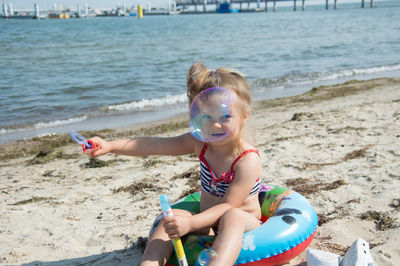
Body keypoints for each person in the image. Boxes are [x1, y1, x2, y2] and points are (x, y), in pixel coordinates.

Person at [89, 62, 262, 266]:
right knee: (169, 218)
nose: (215, 124)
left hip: (244, 224)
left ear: (243, 116)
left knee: (233, 216)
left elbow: (228, 206)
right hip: (207, 221)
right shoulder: (200, 143)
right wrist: (110, 145)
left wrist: (190, 223)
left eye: (225, 116)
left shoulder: (247, 159)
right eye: (207, 116)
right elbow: (154, 144)